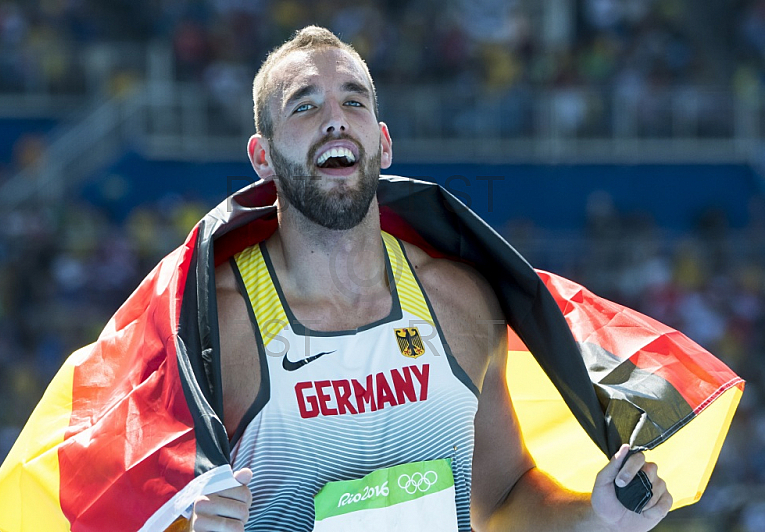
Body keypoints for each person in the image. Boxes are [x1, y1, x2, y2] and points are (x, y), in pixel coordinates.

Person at [180, 25, 672, 532]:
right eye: (304, 107)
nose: (335, 121)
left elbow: (503, 496)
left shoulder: (460, 300)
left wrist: (600, 518)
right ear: (263, 157)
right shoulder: (215, 328)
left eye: (355, 103)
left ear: (383, 142)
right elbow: (128, 501)